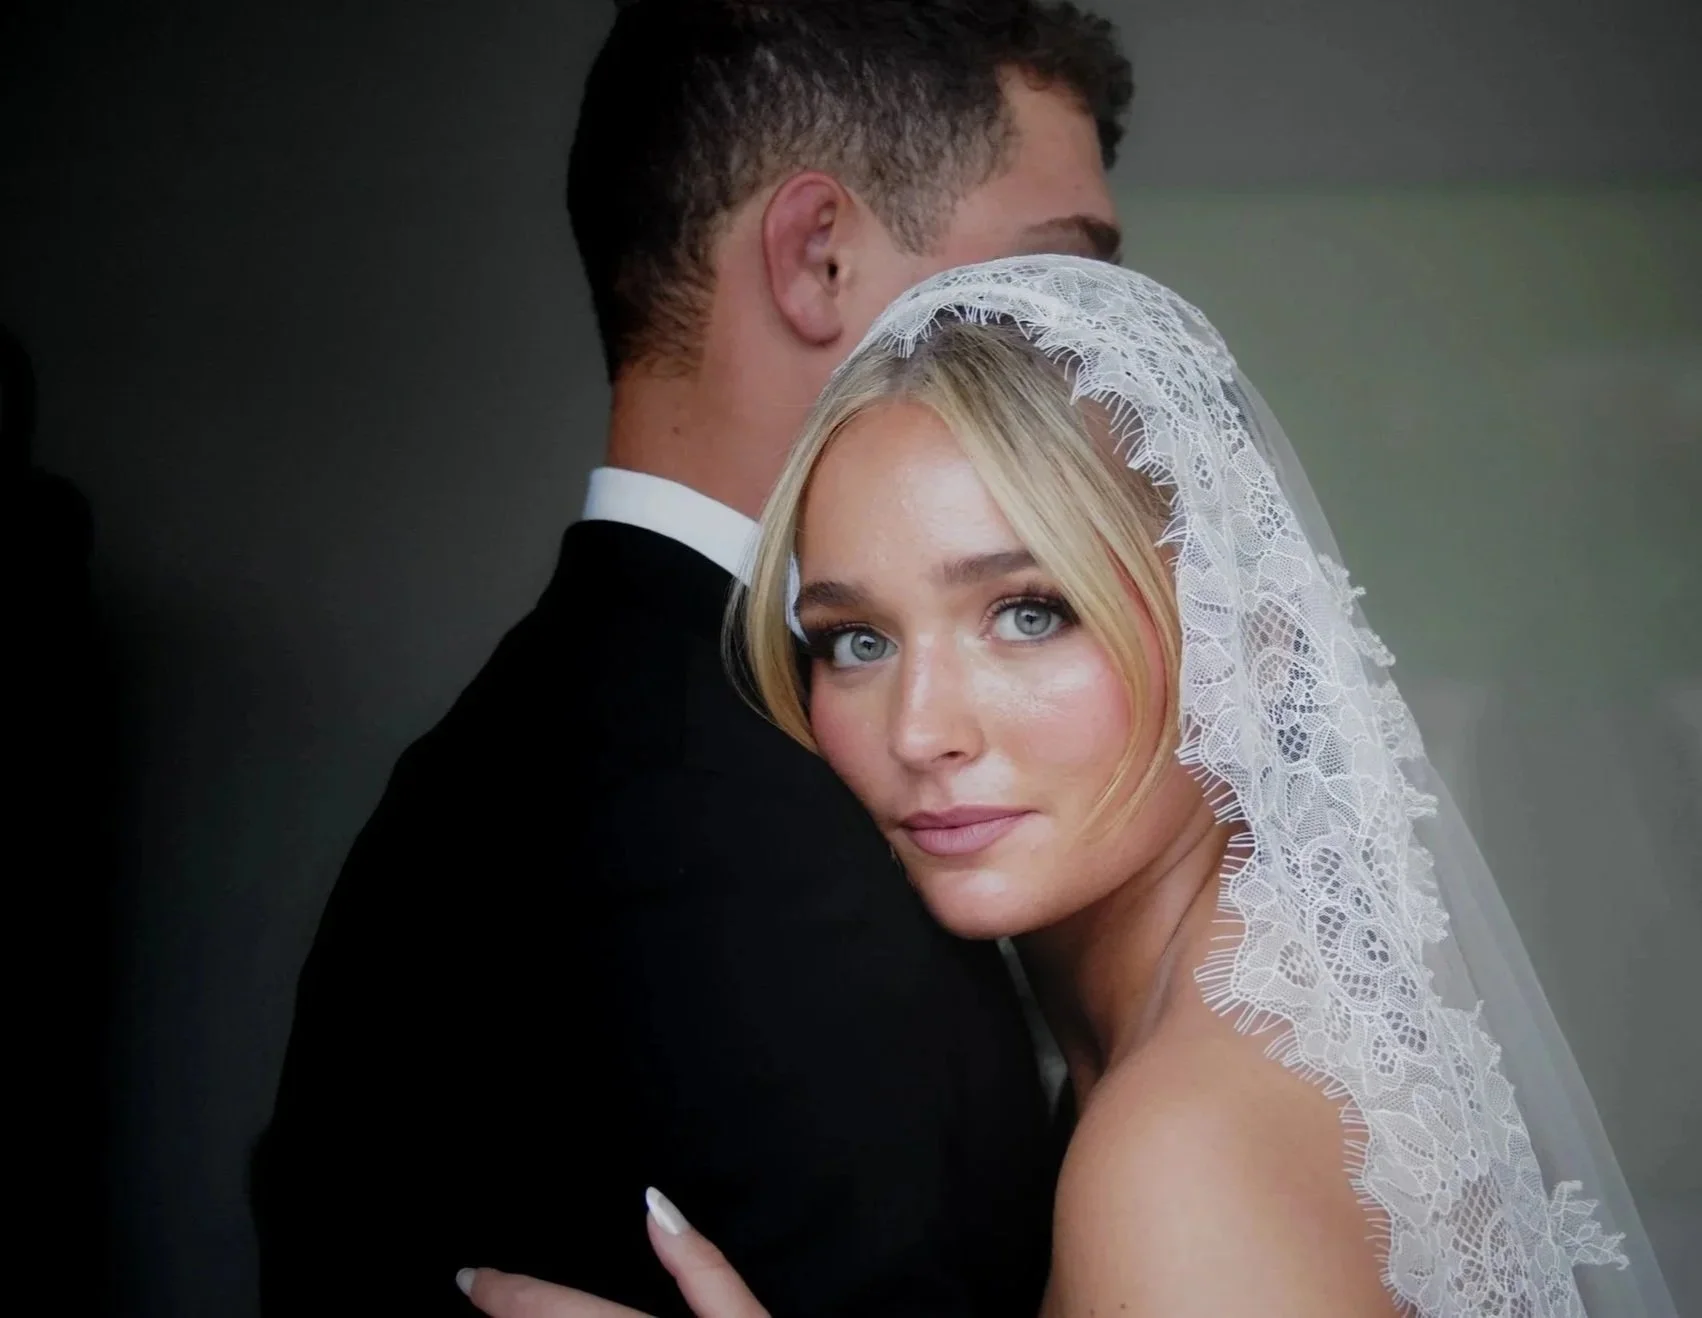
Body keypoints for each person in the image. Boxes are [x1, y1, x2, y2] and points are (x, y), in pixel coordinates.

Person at [460, 257, 1679, 1316]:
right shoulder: (1200, 1048)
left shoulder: (1185, 1155)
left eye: (1028, 613)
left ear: (1241, 632)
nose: (921, 728)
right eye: (854, 639)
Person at [252, 4, 1133, 1315]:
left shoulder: (552, 737)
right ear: (816, 258)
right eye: (1053, 277)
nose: (1093, 351)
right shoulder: (719, 826)